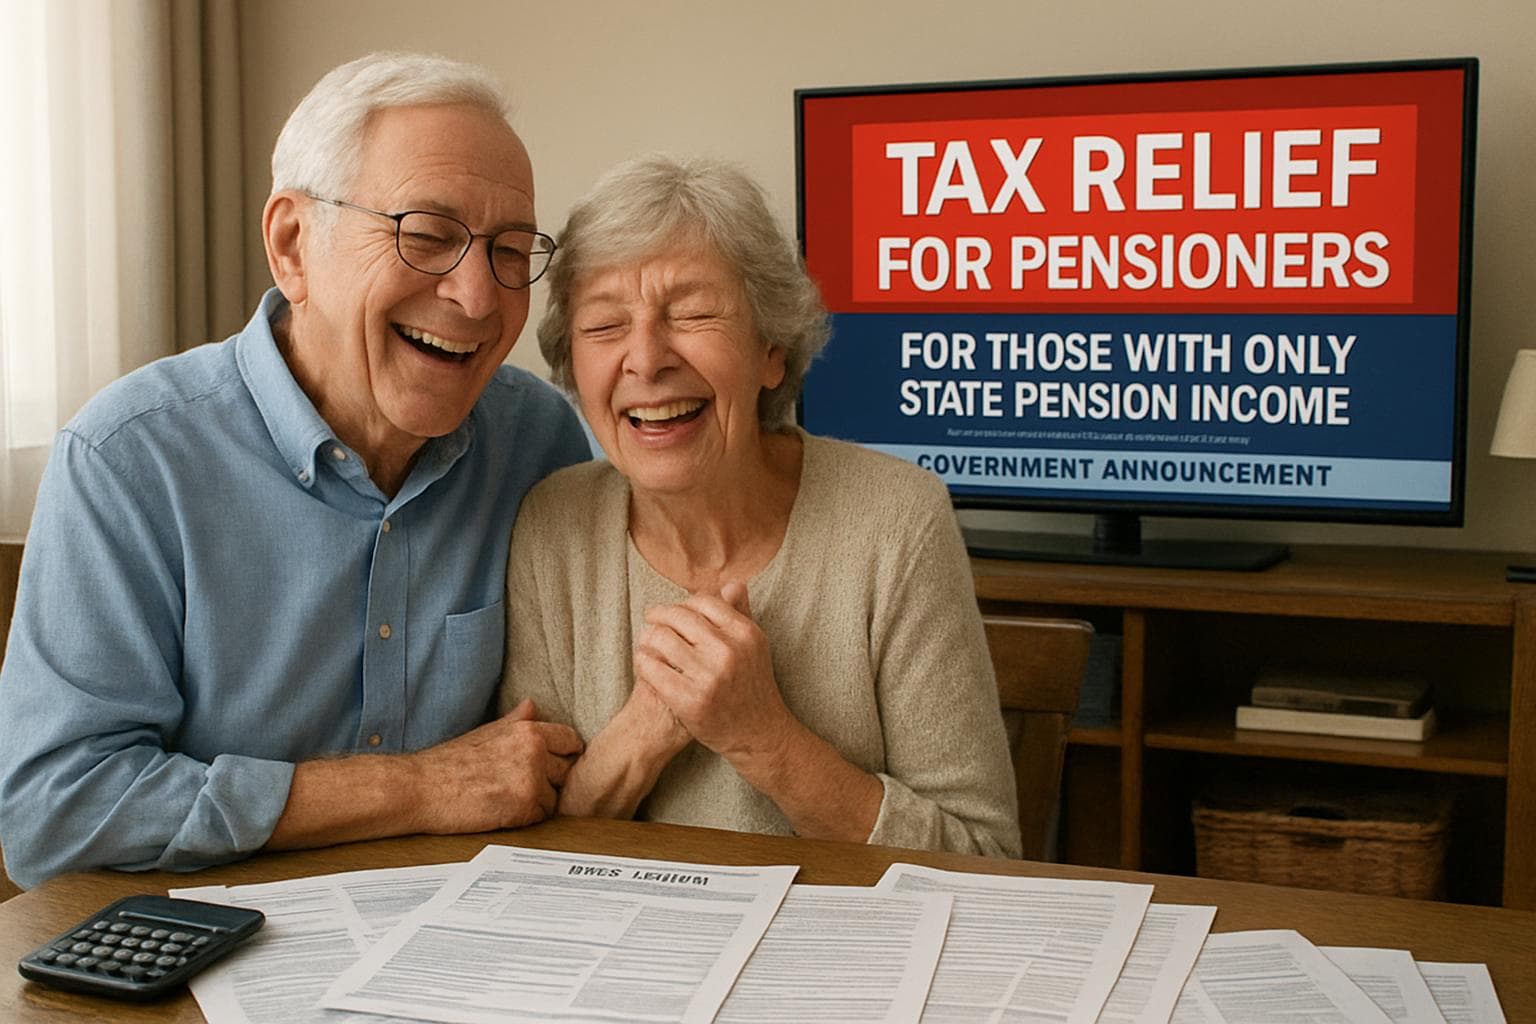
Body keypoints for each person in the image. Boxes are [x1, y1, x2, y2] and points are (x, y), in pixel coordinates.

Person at [0, 53, 591, 890]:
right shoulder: (128, 460)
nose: (480, 297)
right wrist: (414, 789)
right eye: (426, 237)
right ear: (292, 246)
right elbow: (54, 816)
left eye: (509, 250)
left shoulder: (539, 440)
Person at [498, 155, 1021, 857]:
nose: (646, 360)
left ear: (770, 350)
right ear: (574, 366)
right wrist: (646, 729)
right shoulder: (553, 526)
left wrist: (761, 735)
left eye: (691, 313)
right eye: (604, 326)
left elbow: (983, 858)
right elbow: (530, 856)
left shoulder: (895, 520)